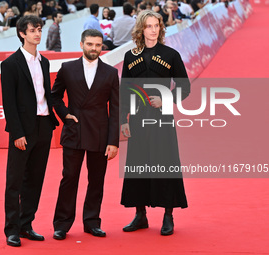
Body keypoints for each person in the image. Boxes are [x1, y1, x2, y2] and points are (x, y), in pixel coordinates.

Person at [120, 10, 190, 236]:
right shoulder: (131, 56)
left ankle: (168, 216)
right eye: (148, 26)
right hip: (138, 119)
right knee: (138, 164)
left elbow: (185, 87)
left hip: (162, 119)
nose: (152, 30)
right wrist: (123, 120)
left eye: (156, 26)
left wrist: (165, 98)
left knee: (165, 163)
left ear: (160, 28)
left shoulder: (171, 55)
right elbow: (125, 90)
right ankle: (140, 215)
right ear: (141, 29)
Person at [51, 29, 119, 240]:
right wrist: (66, 115)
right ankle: (62, 224)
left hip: (100, 132)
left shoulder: (110, 72)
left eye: (98, 45)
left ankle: (92, 222)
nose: (94, 49)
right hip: (75, 130)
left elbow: (116, 109)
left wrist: (113, 141)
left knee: (96, 180)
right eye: (90, 44)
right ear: (81, 45)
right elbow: (54, 97)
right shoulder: (67, 68)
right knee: (69, 177)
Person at [1, 15, 59, 247]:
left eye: (39, 29)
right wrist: (17, 133)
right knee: (15, 181)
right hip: (22, 130)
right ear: (22, 34)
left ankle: (27, 225)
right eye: (33, 30)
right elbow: (9, 103)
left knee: (35, 180)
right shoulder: (10, 64)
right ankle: (12, 230)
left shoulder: (44, 62)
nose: (38, 33)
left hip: (43, 127)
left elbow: (46, 95)